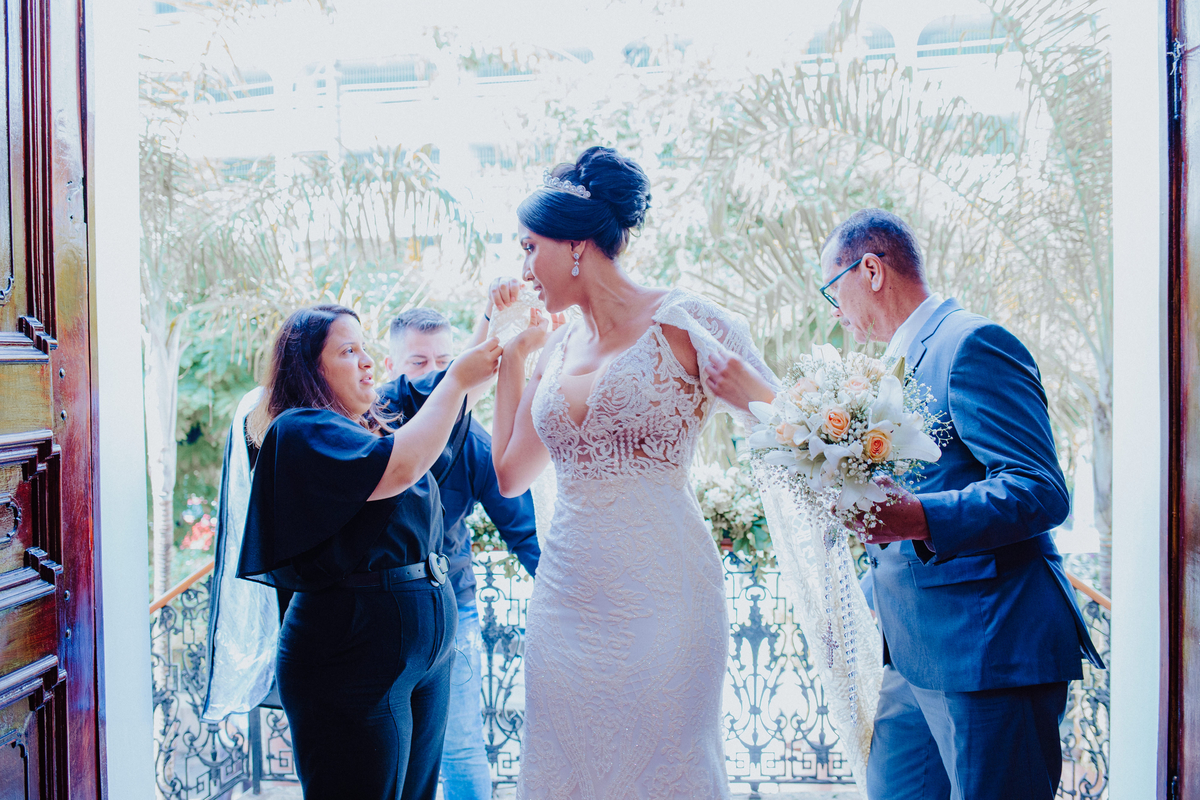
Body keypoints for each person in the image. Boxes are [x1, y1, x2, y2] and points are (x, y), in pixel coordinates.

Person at [711, 208, 1104, 800]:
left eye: (832, 288)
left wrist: (918, 519)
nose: (833, 310)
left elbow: (1039, 488)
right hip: (910, 651)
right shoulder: (886, 368)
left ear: (870, 270)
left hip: (988, 649)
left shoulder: (972, 344)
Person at [487, 146, 778, 799]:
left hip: (664, 594)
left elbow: (791, 428)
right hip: (565, 598)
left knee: (663, 766)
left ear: (575, 246)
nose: (523, 268)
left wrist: (753, 395)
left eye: (529, 248)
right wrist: (513, 354)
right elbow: (508, 473)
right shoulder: (557, 346)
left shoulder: (686, 321)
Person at [236, 304, 502, 800]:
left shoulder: (368, 426)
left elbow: (455, 400)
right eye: (348, 351)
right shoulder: (301, 430)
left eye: (364, 348)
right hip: (353, 652)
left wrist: (493, 318)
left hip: (420, 649)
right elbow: (402, 465)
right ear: (311, 368)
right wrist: (457, 378)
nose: (367, 361)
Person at [378, 307, 540, 800]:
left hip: (453, 607)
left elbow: (524, 531)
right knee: (382, 749)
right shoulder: (367, 422)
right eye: (418, 362)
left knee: (461, 746)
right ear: (391, 365)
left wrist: (569, 595)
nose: (433, 374)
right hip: (374, 609)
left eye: (444, 362)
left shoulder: (474, 440)